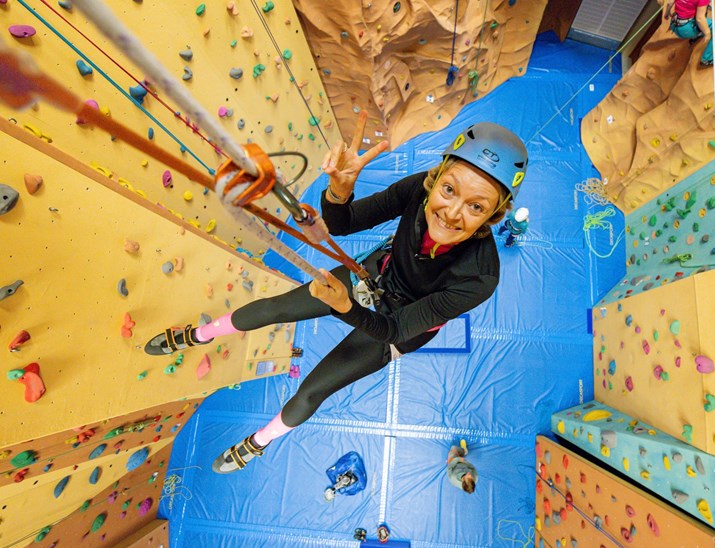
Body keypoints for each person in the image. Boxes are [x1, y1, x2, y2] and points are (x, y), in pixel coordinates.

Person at [143, 112, 528, 474]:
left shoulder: (480, 277)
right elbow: (343, 224)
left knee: (313, 391)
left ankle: (258, 442)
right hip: (377, 274)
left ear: (493, 216)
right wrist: (339, 193)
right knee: (275, 308)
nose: (452, 212)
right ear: (438, 178)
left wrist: (345, 307)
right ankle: (198, 335)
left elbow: (394, 329)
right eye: (449, 189)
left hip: (402, 324)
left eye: (475, 206)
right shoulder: (418, 190)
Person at [660, 0, 715, 67]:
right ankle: (707, 59)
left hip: (674, 25)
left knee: (699, 14)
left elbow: (670, 3)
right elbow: (700, 19)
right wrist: (707, 33)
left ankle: (697, 35)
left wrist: (666, 13)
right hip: (687, 30)